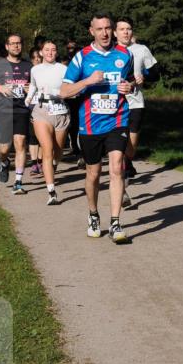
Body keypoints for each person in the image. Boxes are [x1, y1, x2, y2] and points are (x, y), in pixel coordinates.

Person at [60, 13, 136, 240]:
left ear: (112, 30)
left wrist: (130, 87)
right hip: (90, 125)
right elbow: (64, 91)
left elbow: (131, 80)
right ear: (91, 31)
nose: (104, 33)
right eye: (99, 29)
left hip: (118, 120)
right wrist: (88, 81)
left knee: (116, 168)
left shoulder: (125, 54)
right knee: (93, 173)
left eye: (108, 28)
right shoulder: (82, 57)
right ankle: (93, 214)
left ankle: (115, 222)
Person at [113, 17, 160, 201]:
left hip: (135, 103)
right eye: (122, 29)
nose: (126, 32)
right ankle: (121, 186)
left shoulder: (141, 49)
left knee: (130, 148)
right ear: (115, 32)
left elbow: (156, 73)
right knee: (117, 147)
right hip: (114, 106)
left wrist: (145, 77)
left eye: (129, 29)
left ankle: (126, 167)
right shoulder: (109, 52)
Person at [0, 34, 32, 193]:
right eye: (13, 43)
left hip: (21, 109)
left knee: (20, 143)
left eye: (19, 43)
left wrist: (30, 89)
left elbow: (35, 86)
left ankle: (18, 182)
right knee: (3, 149)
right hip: (2, 110)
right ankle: (4, 162)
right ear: (7, 46)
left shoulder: (29, 66)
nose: (16, 46)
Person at [26, 40, 68, 205]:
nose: (50, 52)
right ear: (41, 52)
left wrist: (56, 92)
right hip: (41, 111)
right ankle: (51, 192)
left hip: (60, 111)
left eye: (53, 49)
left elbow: (70, 90)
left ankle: (53, 165)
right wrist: (29, 97)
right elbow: (33, 85)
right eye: (47, 50)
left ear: (56, 52)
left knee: (58, 150)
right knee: (47, 149)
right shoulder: (35, 69)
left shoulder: (63, 69)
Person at [63, 39, 84, 166]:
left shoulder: (86, 62)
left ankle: (83, 151)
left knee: (82, 124)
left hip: (83, 98)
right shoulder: (65, 63)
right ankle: (76, 149)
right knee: (73, 125)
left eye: (73, 48)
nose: (71, 50)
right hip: (70, 99)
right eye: (69, 48)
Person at [27, 47, 43, 176]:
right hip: (31, 107)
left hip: (45, 107)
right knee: (33, 136)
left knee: (42, 137)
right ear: (31, 60)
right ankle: (34, 164)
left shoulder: (47, 71)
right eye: (34, 57)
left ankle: (41, 162)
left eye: (39, 57)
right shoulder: (28, 72)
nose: (37, 59)